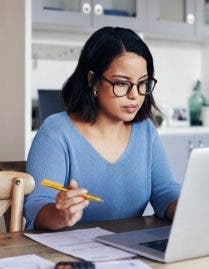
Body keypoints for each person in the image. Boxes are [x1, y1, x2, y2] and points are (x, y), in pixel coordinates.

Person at [24, 27, 180, 231]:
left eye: (142, 83)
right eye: (122, 83)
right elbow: (36, 207)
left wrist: (190, 208)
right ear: (93, 80)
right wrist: (60, 214)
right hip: (68, 256)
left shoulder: (145, 130)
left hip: (128, 251)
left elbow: (164, 192)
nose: (135, 95)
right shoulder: (56, 132)